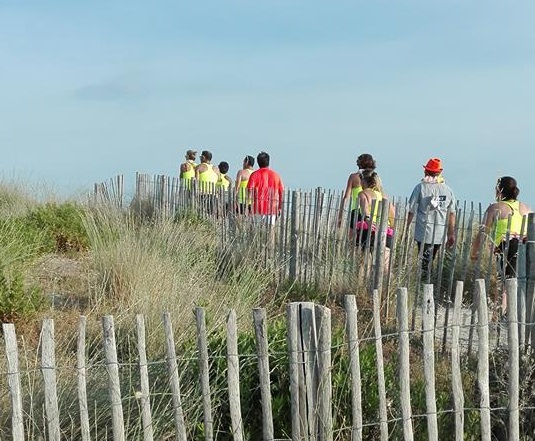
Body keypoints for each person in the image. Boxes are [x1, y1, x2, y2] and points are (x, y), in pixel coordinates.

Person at [470, 176, 533, 312]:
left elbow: (482, 233)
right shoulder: (527, 208)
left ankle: (498, 315)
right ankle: (517, 314)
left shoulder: (495, 208)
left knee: (504, 283)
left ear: (500, 190)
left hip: (506, 247)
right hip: (525, 247)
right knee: (522, 283)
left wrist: (474, 252)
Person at [405, 158, 456, 280]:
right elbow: (452, 213)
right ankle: (428, 279)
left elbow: (411, 209)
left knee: (424, 259)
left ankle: (424, 281)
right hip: (440, 233)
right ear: (439, 172)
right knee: (431, 258)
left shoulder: (420, 187)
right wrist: (451, 233)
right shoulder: (448, 190)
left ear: (426, 171)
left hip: (423, 231)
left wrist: (406, 227)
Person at [338, 153, 382, 233]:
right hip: (373, 211)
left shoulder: (354, 177)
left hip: (357, 210)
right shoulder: (375, 177)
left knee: (353, 240)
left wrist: (340, 216)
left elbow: (346, 197)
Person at [355, 169, 395, 250]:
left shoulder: (363, 194)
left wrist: (371, 224)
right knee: (384, 261)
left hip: (369, 231)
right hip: (386, 231)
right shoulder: (384, 195)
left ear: (363, 181)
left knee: (365, 260)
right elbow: (393, 216)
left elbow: (365, 213)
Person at [246, 151, 284, 226]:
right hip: (272, 208)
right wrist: (279, 207)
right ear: (268, 162)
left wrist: (248, 207)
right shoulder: (276, 176)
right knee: (270, 232)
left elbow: (249, 191)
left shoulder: (254, 175)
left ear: (258, 162)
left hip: (257, 208)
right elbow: (281, 192)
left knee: (256, 232)